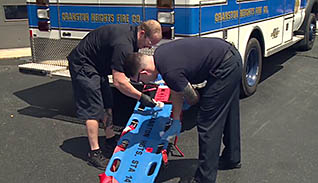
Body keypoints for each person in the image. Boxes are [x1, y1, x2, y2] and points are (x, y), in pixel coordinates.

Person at [123, 37, 242, 183]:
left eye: (140, 80)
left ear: (144, 72)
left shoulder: (169, 71)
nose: (143, 83)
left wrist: (186, 107)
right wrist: (176, 118)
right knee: (229, 112)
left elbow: (193, 98)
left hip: (225, 67)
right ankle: (232, 158)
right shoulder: (160, 55)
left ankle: (204, 179)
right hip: (230, 57)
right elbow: (176, 88)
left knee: (207, 122)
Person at [66, 20, 162, 170]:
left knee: (107, 102)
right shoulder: (123, 44)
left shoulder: (133, 37)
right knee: (93, 108)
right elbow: (119, 82)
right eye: (150, 42)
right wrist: (141, 97)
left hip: (98, 66)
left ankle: (110, 140)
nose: (150, 46)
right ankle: (94, 153)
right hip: (83, 64)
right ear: (142, 33)